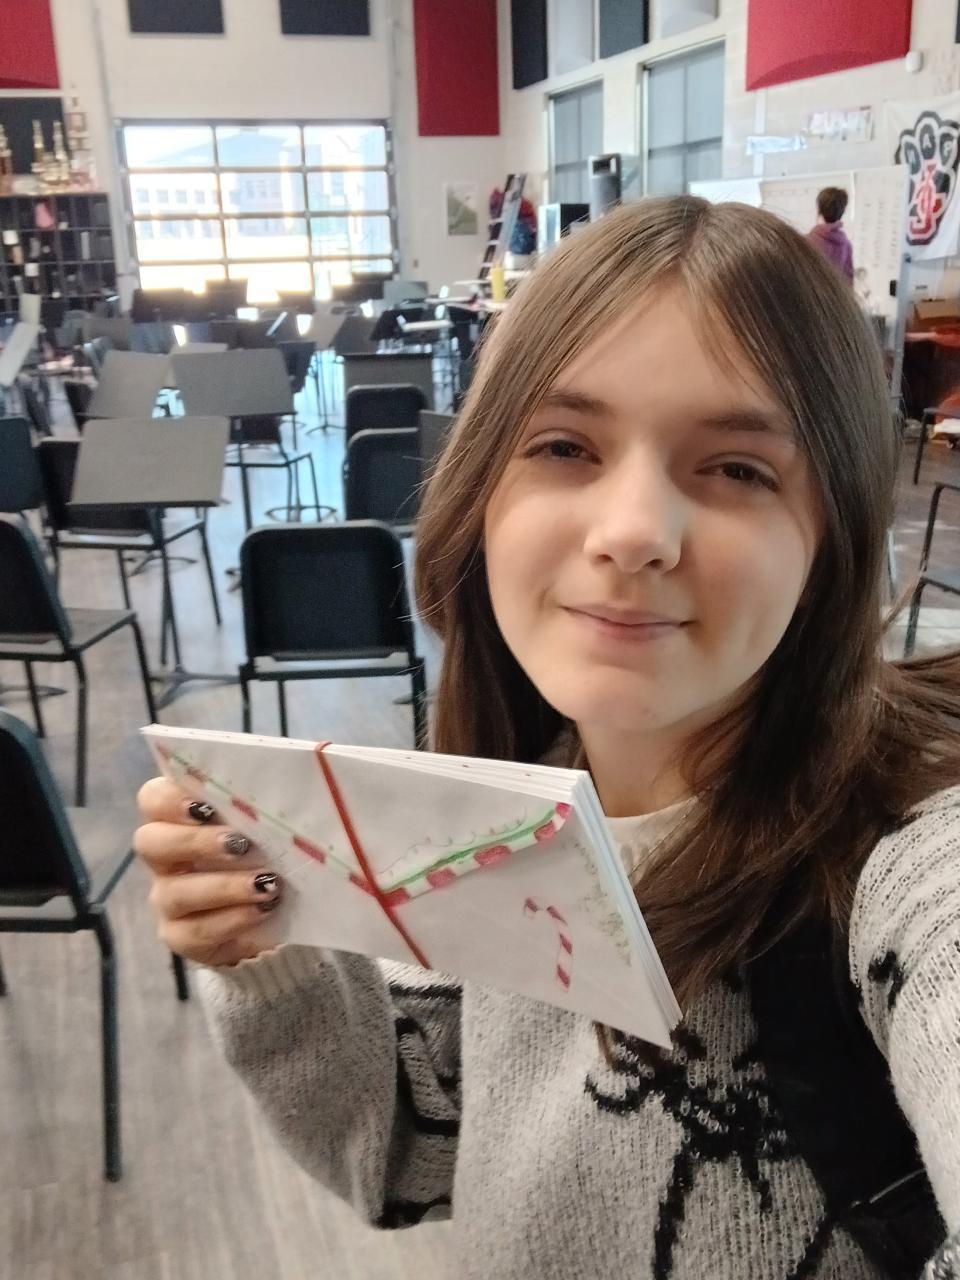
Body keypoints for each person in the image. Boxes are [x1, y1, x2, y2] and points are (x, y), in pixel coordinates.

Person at [133, 197, 960, 1279]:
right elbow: (415, 1151)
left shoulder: (913, 866)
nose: (632, 532)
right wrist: (268, 953)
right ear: (481, 493)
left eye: (737, 468)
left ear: (833, 539)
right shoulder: (509, 815)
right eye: (566, 446)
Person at [807, 186, 854, 282]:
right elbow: (848, 281)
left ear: (819, 209)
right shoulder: (846, 245)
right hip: (837, 292)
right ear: (842, 212)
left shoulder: (807, 242)